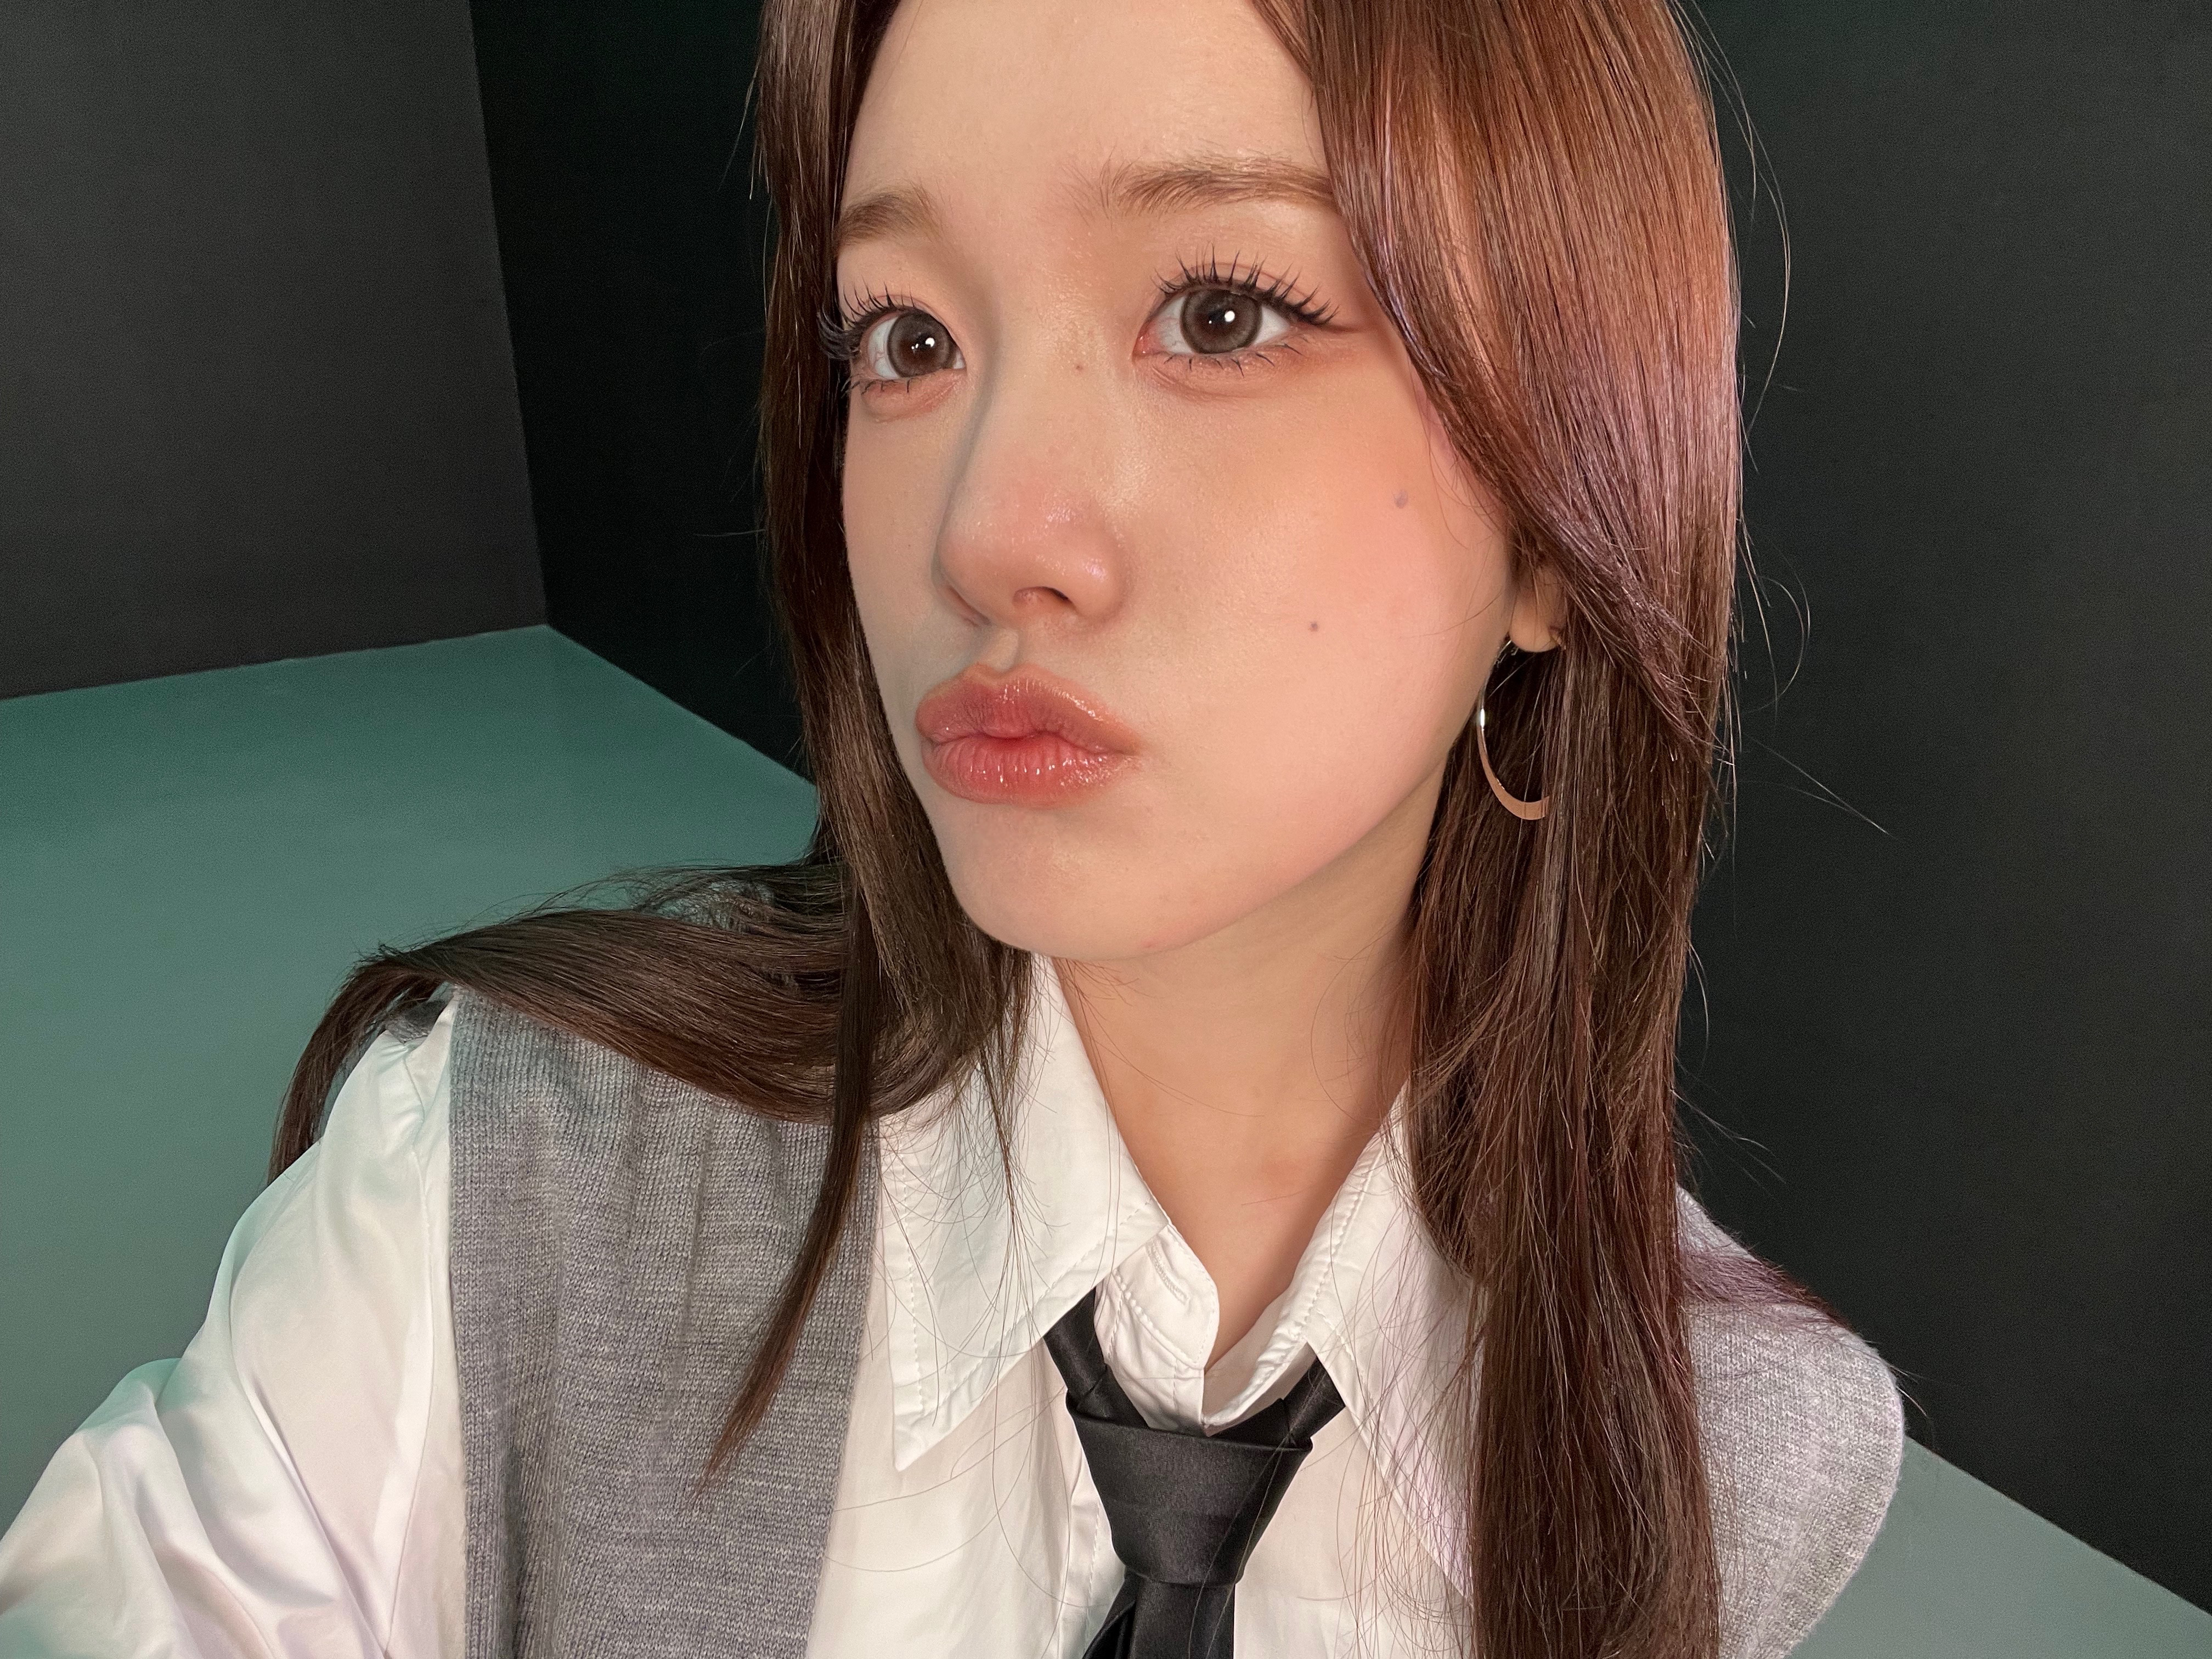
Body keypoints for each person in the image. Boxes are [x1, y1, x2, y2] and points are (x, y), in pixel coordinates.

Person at [0, 0, 1904, 1654]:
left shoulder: (1743, 1445)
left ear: (1561, 518)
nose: (985, 533)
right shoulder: (490, 1194)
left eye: (1221, 313)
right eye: (905, 339)